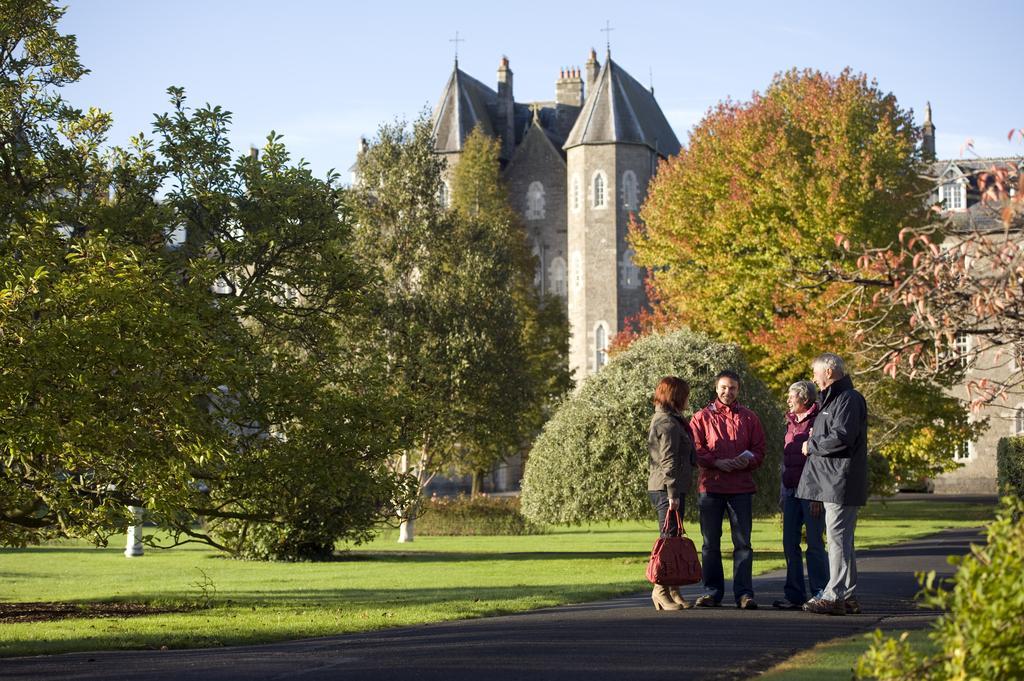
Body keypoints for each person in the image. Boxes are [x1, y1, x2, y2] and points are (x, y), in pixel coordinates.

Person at [797, 353, 868, 616]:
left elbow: (842, 437)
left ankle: (834, 594)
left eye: (815, 371)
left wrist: (811, 444)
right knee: (842, 541)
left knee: (837, 541)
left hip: (840, 481)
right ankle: (847, 594)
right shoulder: (837, 399)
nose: (813, 376)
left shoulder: (848, 399)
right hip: (835, 480)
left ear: (829, 371)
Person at [690, 370, 766, 609]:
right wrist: (716, 462)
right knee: (710, 543)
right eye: (723, 387)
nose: (727, 392)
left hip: (741, 488)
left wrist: (749, 460)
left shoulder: (750, 418)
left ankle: (744, 594)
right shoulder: (700, 418)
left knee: (743, 543)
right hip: (711, 487)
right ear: (716, 389)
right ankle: (712, 592)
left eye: (732, 388)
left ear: (738, 390)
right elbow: (696, 450)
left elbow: (760, 450)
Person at [772, 380, 829, 610]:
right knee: (789, 543)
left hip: (811, 493)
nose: (787, 400)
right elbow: (786, 461)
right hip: (791, 492)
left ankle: (820, 593)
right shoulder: (790, 422)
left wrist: (817, 495)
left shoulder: (819, 421)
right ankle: (794, 595)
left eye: (791, 396)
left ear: (804, 399)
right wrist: (782, 492)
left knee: (815, 543)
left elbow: (820, 462)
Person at [647, 376, 696, 611]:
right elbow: (668, 460)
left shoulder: (672, 420)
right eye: (685, 394)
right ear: (676, 396)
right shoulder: (666, 422)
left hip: (671, 487)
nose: (688, 399)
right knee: (668, 539)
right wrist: (673, 493)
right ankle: (660, 589)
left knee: (674, 538)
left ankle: (674, 588)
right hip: (666, 488)